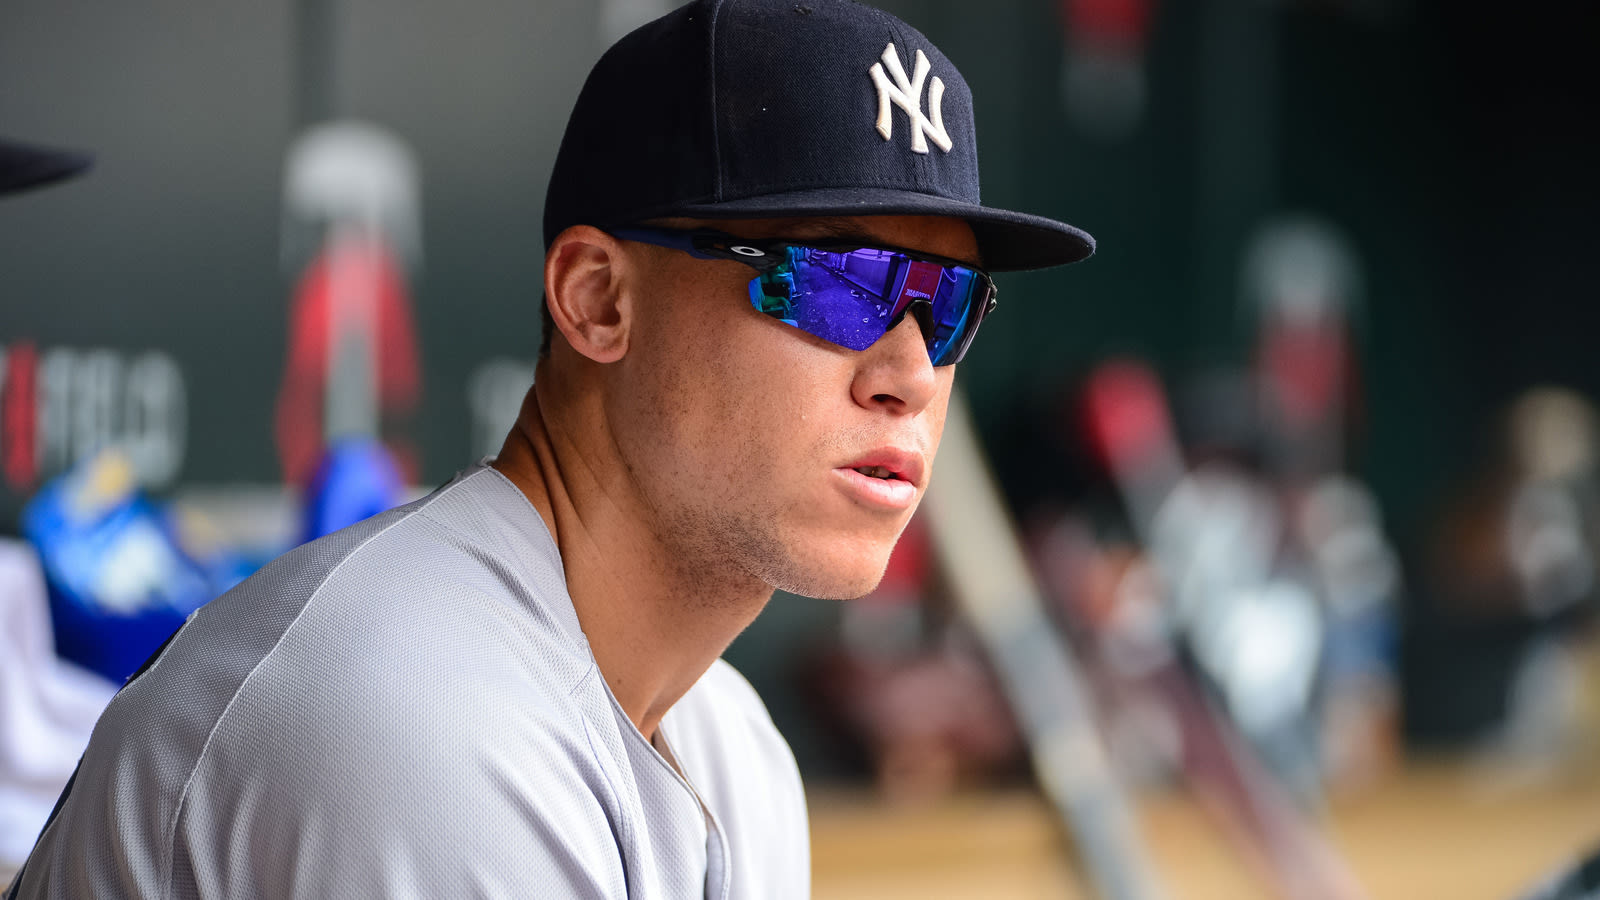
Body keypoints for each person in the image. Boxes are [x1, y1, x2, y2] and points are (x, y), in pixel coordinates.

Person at [8, 0, 1094, 896]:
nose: (907, 372)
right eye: (840, 283)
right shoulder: (412, 713)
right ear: (596, 300)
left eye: (946, 303)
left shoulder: (732, 742)